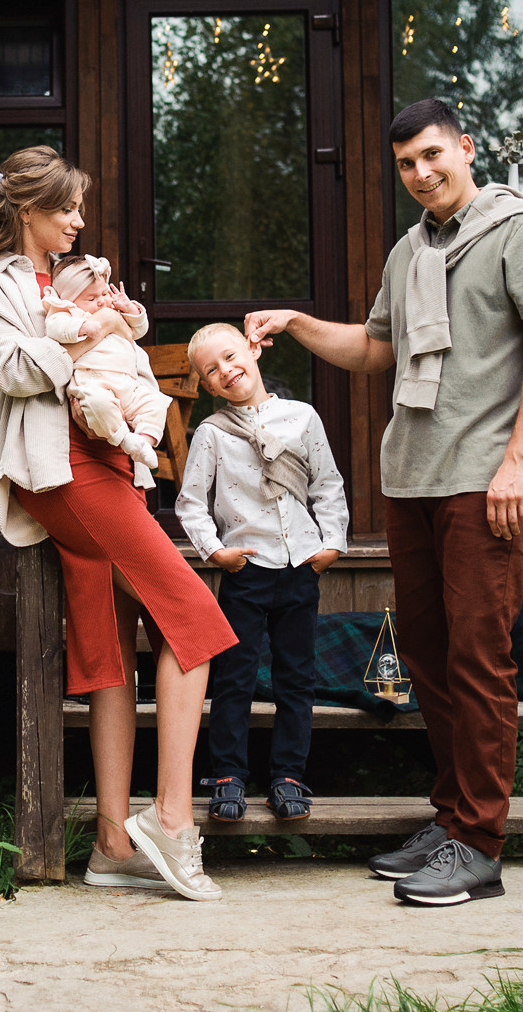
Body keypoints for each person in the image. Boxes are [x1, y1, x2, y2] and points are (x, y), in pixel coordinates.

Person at [244, 98, 523, 907]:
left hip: (483, 478)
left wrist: (518, 461)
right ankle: (452, 818)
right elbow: (375, 347)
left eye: (433, 155)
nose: (421, 173)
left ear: (467, 148)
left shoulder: (520, 231)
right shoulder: (410, 251)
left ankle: (481, 841)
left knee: (479, 655)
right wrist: (295, 321)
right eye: (406, 164)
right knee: (429, 660)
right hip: (414, 478)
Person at [0, 146, 240, 902]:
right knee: (194, 616)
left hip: (112, 459)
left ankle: (114, 841)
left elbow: (120, 348)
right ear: (27, 209)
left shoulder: (83, 275)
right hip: (61, 468)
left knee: (109, 645)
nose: (79, 222)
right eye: (67, 209)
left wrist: (105, 323)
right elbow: (13, 368)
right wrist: (85, 334)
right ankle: (174, 820)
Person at [175, 323, 347, 825]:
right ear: (208, 386)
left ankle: (288, 775)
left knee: (297, 677)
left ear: (252, 350)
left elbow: (327, 484)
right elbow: (191, 504)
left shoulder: (302, 418)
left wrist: (332, 541)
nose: (227, 371)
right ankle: (228, 775)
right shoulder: (211, 433)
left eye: (231, 356)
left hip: (299, 566)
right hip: (246, 570)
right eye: (213, 370)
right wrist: (214, 552)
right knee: (235, 677)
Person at [40, 253, 168, 469]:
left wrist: (129, 309)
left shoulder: (110, 309)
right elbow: (54, 327)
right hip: (93, 381)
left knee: (156, 402)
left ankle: (145, 443)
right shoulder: (68, 312)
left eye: (103, 293)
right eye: (91, 299)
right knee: (97, 404)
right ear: (69, 300)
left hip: (127, 381)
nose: (101, 301)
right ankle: (125, 439)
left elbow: (138, 331)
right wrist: (80, 327)